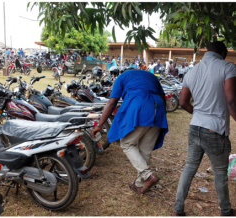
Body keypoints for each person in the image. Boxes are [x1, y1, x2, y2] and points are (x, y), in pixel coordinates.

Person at [172, 41, 236, 216]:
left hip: (195, 127)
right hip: (215, 130)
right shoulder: (228, 68)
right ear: (223, 52)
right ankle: (225, 210)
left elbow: (183, 102)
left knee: (189, 168)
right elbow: (231, 101)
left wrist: (198, 114)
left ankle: (178, 209)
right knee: (220, 173)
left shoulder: (192, 72)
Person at [92, 68, 168, 196]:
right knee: (145, 149)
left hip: (140, 106)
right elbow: (162, 96)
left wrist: (100, 124)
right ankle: (139, 184)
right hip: (158, 108)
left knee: (127, 143)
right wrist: (160, 114)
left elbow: (112, 102)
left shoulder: (122, 77)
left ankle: (148, 176)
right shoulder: (151, 76)